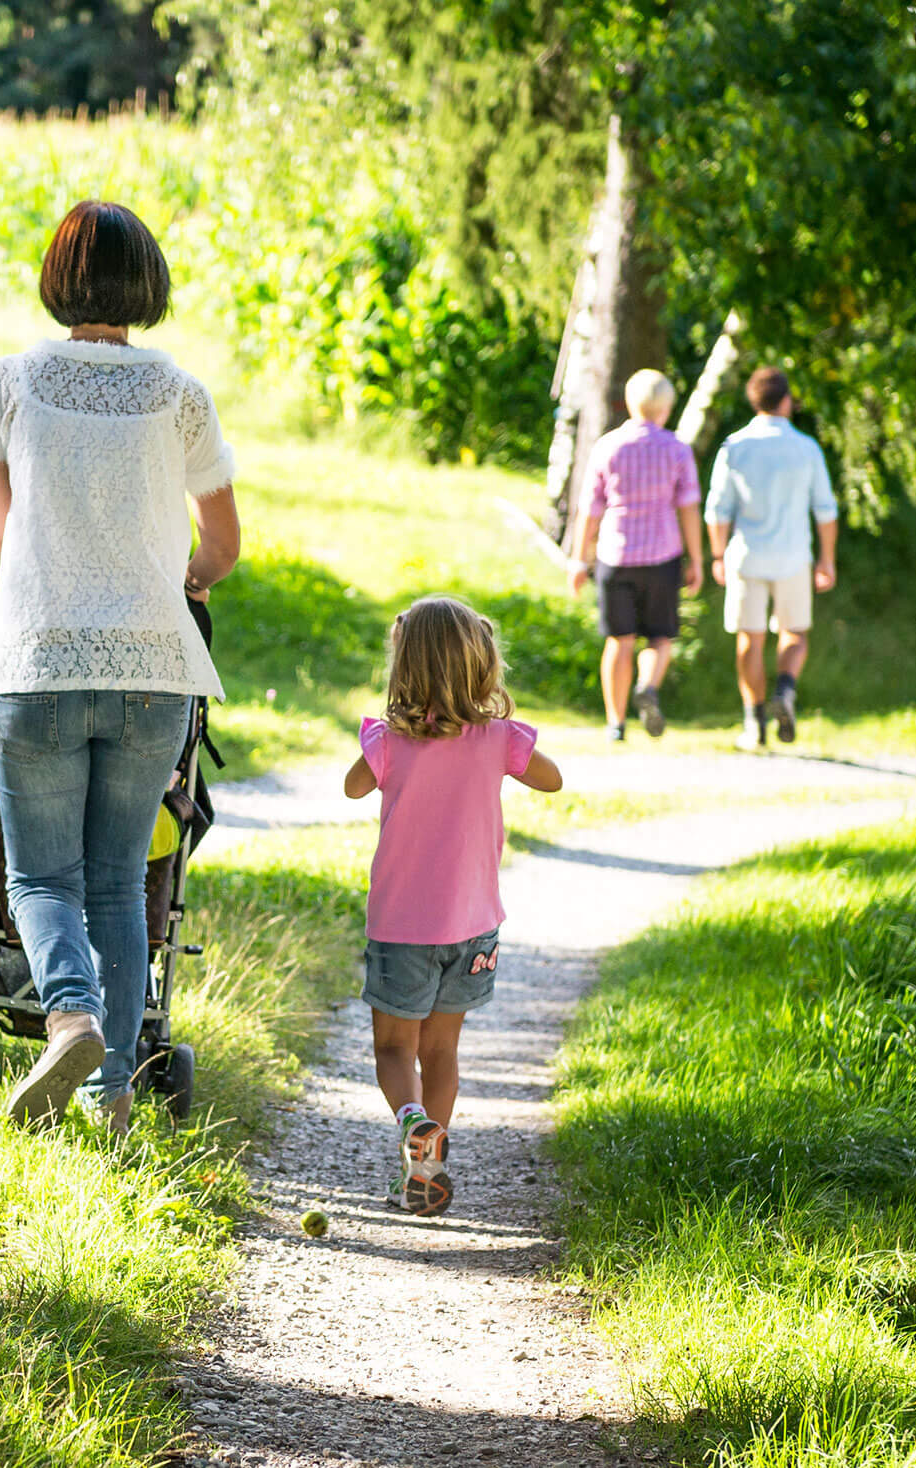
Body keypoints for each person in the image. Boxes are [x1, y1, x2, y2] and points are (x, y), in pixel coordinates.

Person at [0, 200, 240, 1137]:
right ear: (147, 284)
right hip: (155, 669)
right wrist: (178, 581)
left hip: (36, 659)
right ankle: (112, 1096)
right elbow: (225, 545)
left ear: (57, 281)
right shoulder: (180, 394)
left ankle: (68, 1012)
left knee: (41, 880)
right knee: (122, 882)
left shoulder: (11, 382)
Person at [343, 597, 561, 1215]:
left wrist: (389, 745)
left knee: (394, 1049)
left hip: (401, 927)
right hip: (472, 928)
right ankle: (427, 1169)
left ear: (403, 668)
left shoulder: (389, 741)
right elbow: (553, 779)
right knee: (442, 1051)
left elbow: (353, 786)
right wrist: (496, 736)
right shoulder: (497, 739)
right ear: (481, 665)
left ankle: (412, 1121)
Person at [704, 365, 838, 750]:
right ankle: (785, 687)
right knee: (794, 633)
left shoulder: (735, 446)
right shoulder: (806, 448)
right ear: (786, 401)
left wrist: (717, 555)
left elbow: (718, 510)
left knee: (749, 638)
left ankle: (754, 723)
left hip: (747, 556)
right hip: (794, 556)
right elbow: (825, 510)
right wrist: (826, 560)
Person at [567, 368, 704, 740]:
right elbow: (689, 507)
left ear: (630, 402)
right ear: (666, 407)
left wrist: (580, 559)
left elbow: (590, 509)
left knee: (619, 640)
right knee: (660, 638)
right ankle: (647, 685)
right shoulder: (676, 449)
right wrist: (698, 559)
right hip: (662, 557)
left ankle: (615, 722)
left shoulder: (608, 446)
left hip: (616, 555)